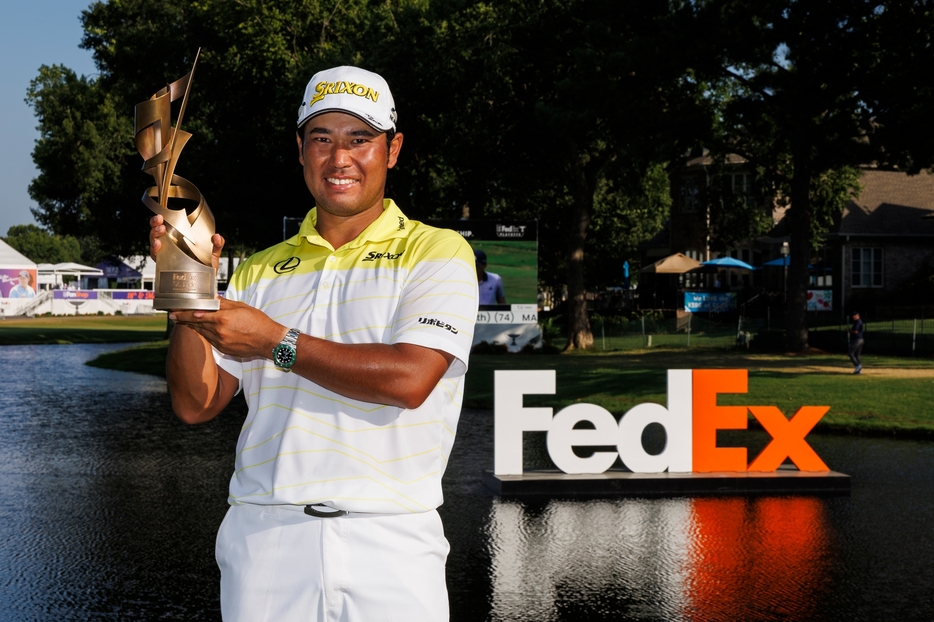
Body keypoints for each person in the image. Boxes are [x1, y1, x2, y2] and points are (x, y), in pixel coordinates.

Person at [149, 65, 478, 621]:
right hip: (266, 538)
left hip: (392, 538)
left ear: (392, 149)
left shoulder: (438, 251)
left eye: (360, 139)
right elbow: (196, 403)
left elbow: (410, 379)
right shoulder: (260, 270)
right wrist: (187, 286)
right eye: (322, 138)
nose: (339, 158)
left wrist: (277, 341)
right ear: (300, 150)